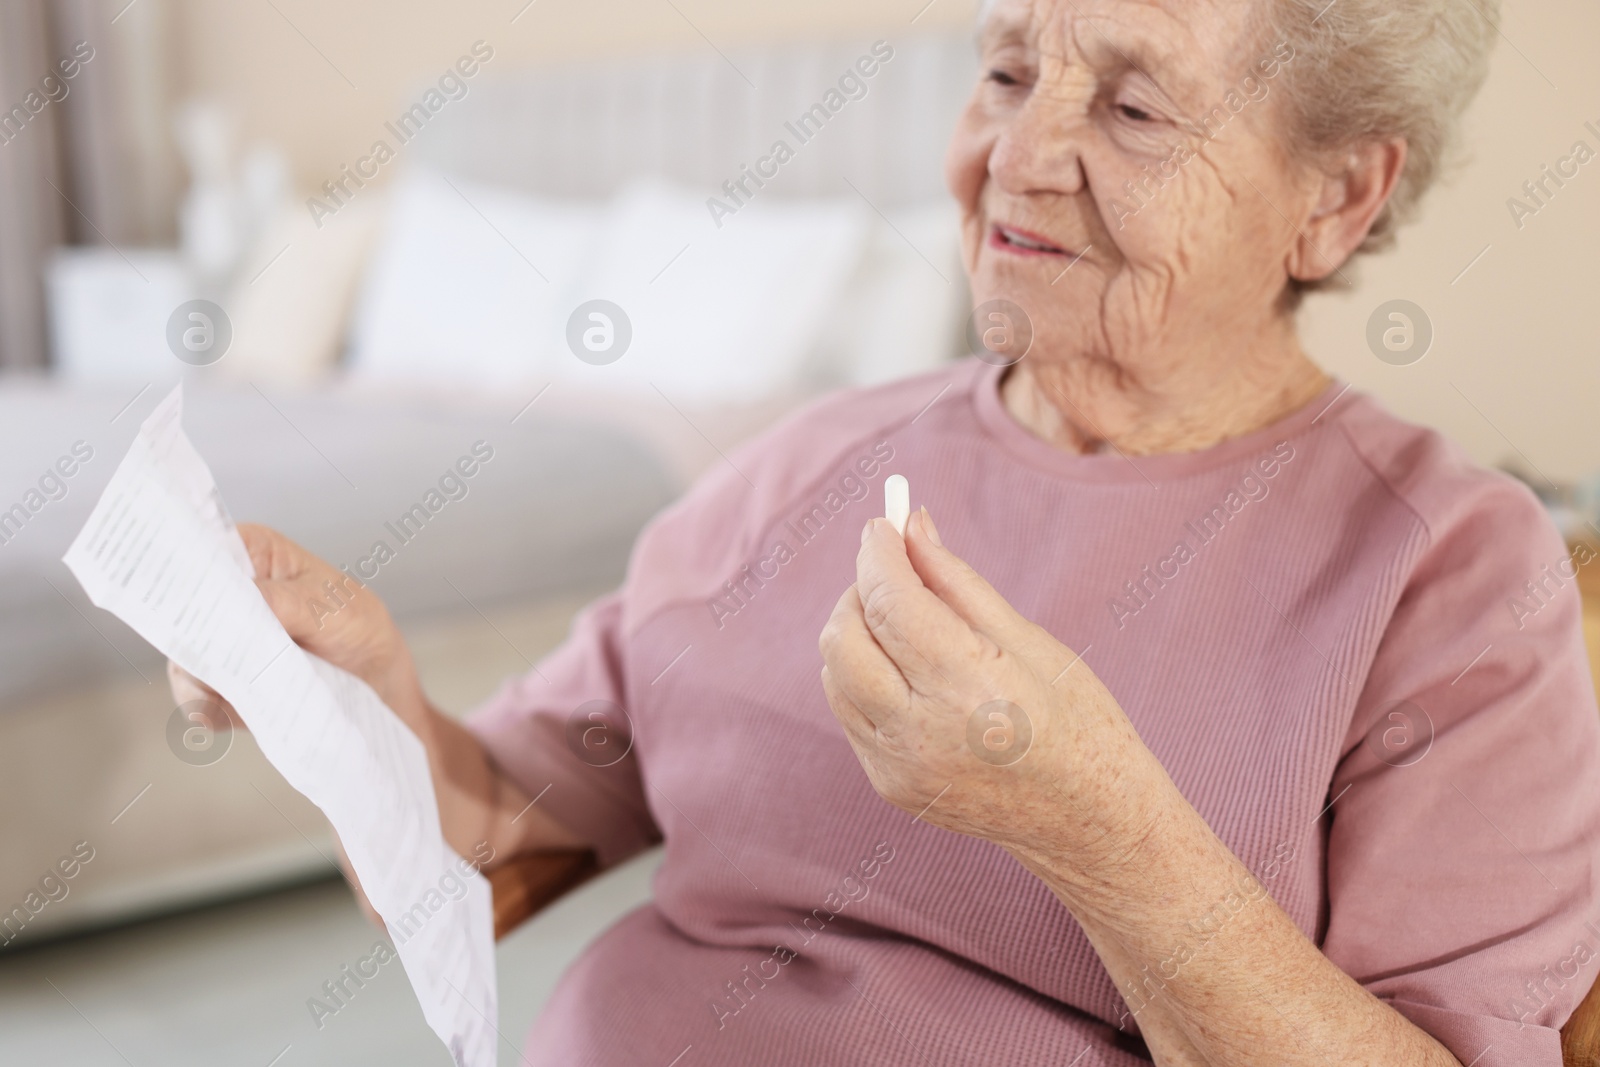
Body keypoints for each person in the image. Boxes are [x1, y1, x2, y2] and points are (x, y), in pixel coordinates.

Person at [172, 0, 1600, 1062]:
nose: (1018, 154)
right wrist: (357, 701)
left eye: (1136, 112)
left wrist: (1092, 826)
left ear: (1337, 197)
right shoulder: (806, 462)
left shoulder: (1448, 575)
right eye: (1004, 72)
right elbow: (491, 847)